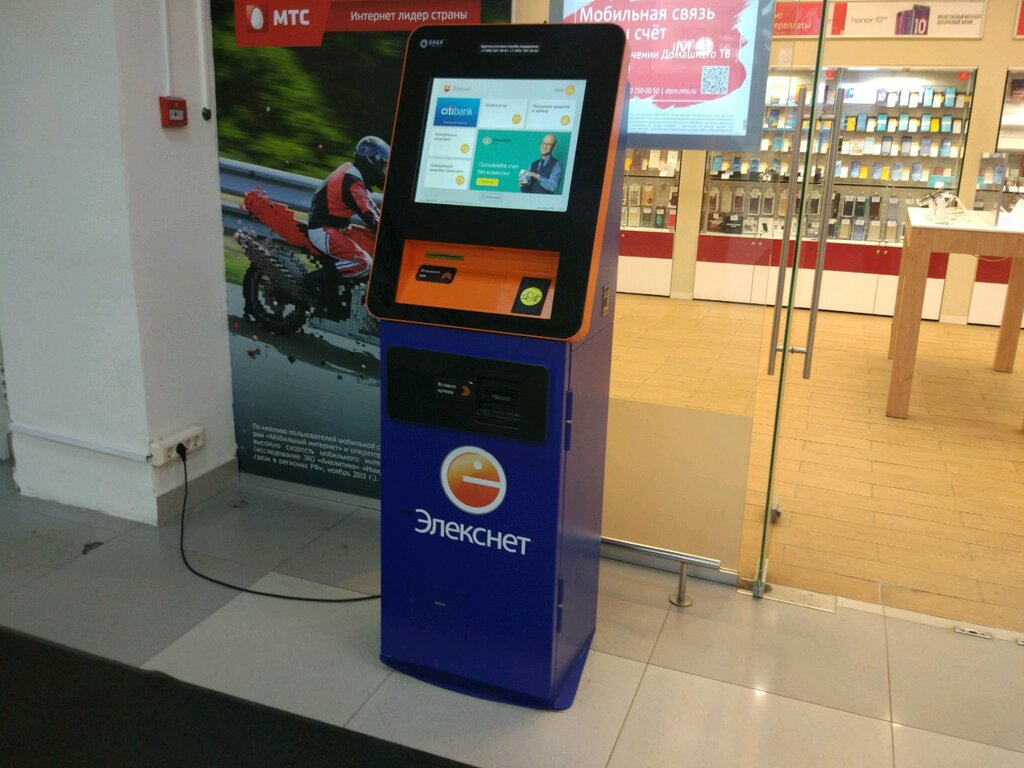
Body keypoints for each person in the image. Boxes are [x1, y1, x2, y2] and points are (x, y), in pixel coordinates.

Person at [307, 135, 390, 280]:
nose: (385, 173)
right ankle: (312, 281)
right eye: (383, 167)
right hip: (323, 230)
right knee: (363, 263)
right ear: (372, 164)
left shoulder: (352, 173)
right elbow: (371, 216)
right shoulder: (352, 182)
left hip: (333, 228)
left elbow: (374, 210)